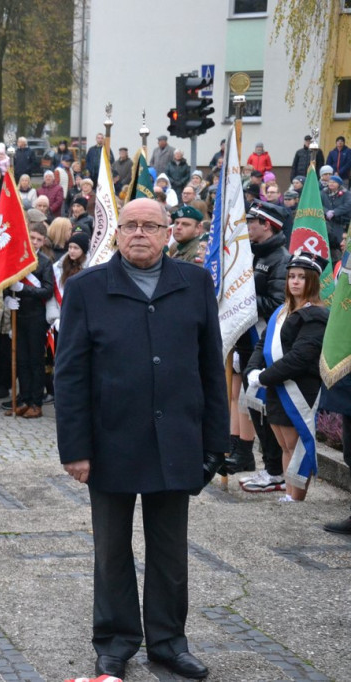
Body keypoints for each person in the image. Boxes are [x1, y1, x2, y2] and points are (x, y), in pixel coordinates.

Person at [55, 197, 228, 681]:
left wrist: (215, 443)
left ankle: (169, 641)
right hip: (111, 441)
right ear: (116, 232)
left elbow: (210, 369)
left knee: (170, 552)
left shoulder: (194, 284)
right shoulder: (87, 288)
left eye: (150, 226)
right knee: (111, 551)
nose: (139, 234)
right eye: (130, 225)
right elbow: (69, 376)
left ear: (168, 232)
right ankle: (115, 642)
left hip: (175, 440)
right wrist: (75, 448)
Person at [245, 253, 329, 502]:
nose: (294, 282)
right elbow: (262, 344)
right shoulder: (282, 310)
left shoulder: (315, 315)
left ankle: (297, 498)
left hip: (298, 388)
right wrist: (252, 370)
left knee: (296, 445)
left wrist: (264, 377)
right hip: (275, 385)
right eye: (291, 276)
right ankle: (289, 494)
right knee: (284, 444)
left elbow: (300, 357)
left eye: (302, 277)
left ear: (312, 281)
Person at [228, 201, 289, 490]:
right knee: (251, 406)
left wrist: (243, 300)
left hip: (263, 340)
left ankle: (275, 470)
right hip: (245, 339)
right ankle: (267, 467)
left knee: (264, 407)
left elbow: (279, 303)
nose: (247, 225)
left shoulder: (280, 258)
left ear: (267, 225)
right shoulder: (248, 253)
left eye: (252, 221)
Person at [3, 226, 54, 418]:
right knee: (21, 360)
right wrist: (8, 296)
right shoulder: (17, 258)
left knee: (35, 360)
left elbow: (47, 290)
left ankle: (36, 402)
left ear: (43, 242)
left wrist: (23, 289)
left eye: (38, 239)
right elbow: (7, 283)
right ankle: (23, 399)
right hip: (19, 314)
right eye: (32, 237)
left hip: (36, 316)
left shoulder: (44, 262)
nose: (34, 242)